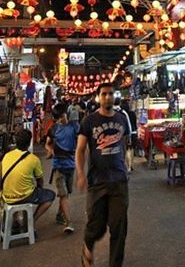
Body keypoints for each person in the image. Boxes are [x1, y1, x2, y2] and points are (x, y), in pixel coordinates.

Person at [76, 82, 130, 267]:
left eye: (111, 94)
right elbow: (80, 149)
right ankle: (87, 245)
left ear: (115, 96)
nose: (108, 97)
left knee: (119, 227)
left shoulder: (122, 119)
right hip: (97, 182)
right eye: (104, 94)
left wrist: (126, 165)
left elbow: (123, 143)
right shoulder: (89, 121)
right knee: (96, 226)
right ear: (99, 97)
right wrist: (81, 174)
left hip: (119, 181)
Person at [0, 128, 55, 231]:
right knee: (50, 195)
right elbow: (40, 180)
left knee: (21, 187)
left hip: (6, 196)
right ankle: (30, 222)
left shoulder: (7, 156)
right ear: (29, 143)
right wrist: (39, 189)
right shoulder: (33, 159)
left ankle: (14, 223)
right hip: (24, 196)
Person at [45, 103, 78, 234]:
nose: (62, 118)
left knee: (66, 194)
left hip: (71, 165)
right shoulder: (53, 129)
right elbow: (47, 144)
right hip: (58, 166)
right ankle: (69, 222)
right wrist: (51, 150)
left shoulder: (74, 126)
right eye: (60, 116)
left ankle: (60, 214)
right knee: (63, 194)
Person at [117, 99, 137, 171]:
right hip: (134, 132)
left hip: (127, 133)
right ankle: (131, 165)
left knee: (127, 149)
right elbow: (135, 123)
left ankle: (128, 166)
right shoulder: (132, 113)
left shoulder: (121, 114)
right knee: (131, 149)